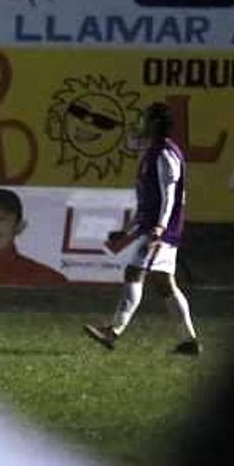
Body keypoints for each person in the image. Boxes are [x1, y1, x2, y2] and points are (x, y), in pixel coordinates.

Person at [84, 102, 200, 355]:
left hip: (159, 231)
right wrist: (127, 230)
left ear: (155, 124)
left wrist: (160, 226)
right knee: (164, 284)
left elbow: (169, 195)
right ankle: (189, 342)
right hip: (157, 227)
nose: (140, 123)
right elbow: (149, 200)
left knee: (134, 273)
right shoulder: (154, 152)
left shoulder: (164, 154)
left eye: (145, 119)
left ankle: (113, 331)